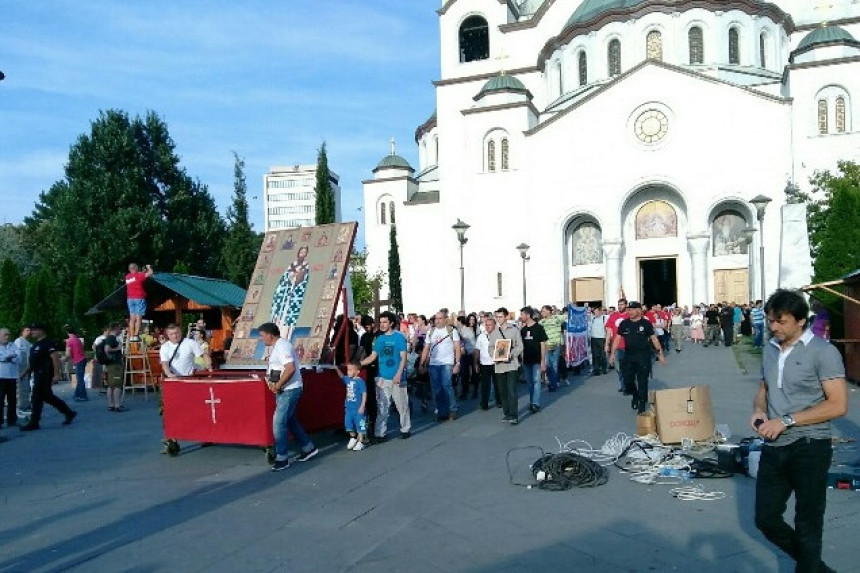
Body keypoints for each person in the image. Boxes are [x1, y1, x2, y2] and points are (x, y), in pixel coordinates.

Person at [751, 289, 847, 573]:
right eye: (770, 320)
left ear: (801, 320)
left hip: (810, 446)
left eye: (780, 321)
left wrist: (787, 420)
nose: (773, 327)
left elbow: (838, 405)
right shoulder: (770, 349)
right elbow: (764, 388)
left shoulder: (823, 352)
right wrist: (758, 410)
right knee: (766, 518)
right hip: (773, 447)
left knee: (808, 523)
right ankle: (818, 569)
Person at [258, 322, 318, 471]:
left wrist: (277, 385)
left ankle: (282, 458)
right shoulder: (278, 346)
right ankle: (308, 447)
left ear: (270, 335)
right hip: (285, 389)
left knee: (278, 422)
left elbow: (289, 368)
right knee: (290, 420)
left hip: (289, 390)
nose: (261, 339)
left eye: (262, 335)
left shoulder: (282, 346)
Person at [360, 311, 410, 440]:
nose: (382, 325)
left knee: (401, 405)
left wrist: (399, 374)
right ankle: (380, 433)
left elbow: (403, 358)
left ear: (391, 323)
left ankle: (405, 429)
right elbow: (373, 356)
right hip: (382, 377)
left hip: (397, 377)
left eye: (384, 322)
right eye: (380, 322)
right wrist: (359, 364)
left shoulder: (399, 337)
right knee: (382, 407)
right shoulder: (380, 339)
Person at [608, 302, 666, 413]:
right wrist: (612, 354)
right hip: (629, 356)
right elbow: (617, 339)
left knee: (642, 381)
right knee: (628, 381)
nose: (629, 312)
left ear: (639, 310)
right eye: (628, 309)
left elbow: (654, 339)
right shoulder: (624, 324)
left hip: (643, 357)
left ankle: (642, 405)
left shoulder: (646, 324)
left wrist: (661, 354)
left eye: (632, 309)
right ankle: (635, 394)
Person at [20, 323, 76, 431]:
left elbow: (55, 360)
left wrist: (57, 375)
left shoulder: (47, 343)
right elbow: (33, 362)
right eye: (32, 330)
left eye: (35, 330)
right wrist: (25, 372)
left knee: (37, 398)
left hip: (45, 374)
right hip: (37, 374)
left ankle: (34, 422)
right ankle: (68, 412)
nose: (32, 332)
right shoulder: (35, 344)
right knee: (47, 397)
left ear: (41, 331)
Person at [419, 311, 461, 422]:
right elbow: (426, 348)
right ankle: (441, 411)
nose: (437, 320)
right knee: (436, 388)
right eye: (436, 318)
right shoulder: (431, 332)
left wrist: (457, 363)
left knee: (447, 385)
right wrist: (421, 363)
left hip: (447, 362)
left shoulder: (452, 331)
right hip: (434, 363)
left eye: (440, 318)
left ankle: (452, 409)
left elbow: (457, 347)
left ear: (445, 319)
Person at [488, 308, 523, 424]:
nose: (499, 319)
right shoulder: (494, 333)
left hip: (511, 365)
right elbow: (491, 347)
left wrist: (511, 354)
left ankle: (514, 415)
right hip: (499, 366)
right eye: (497, 317)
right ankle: (506, 413)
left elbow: (520, 346)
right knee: (502, 391)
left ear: (506, 317)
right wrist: (495, 356)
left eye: (501, 317)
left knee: (512, 390)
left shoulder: (514, 330)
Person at [270, 246, 311, 330]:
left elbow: (303, 278)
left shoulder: (305, 265)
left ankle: (287, 329)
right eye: (301, 252)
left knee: (290, 313)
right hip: (285, 291)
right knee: (279, 309)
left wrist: (297, 278)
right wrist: (289, 278)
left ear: (306, 254)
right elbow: (285, 278)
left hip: (295, 293)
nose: (302, 254)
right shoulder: (292, 264)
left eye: (304, 252)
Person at [520, 306, 547, 413]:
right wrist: (522, 359)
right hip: (527, 360)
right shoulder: (523, 330)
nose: (521, 316)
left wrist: (543, 360)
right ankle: (532, 401)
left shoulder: (539, 328)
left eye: (522, 314)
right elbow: (521, 345)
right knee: (530, 382)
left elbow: (543, 344)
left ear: (528, 315)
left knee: (536, 381)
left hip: (537, 359)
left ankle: (536, 403)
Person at [334, 361, 367, 451]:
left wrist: (362, 406)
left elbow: (364, 393)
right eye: (348, 370)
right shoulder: (348, 379)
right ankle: (353, 437)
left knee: (361, 425)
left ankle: (361, 441)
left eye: (351, 370)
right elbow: (341, 376)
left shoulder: (360, 381)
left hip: (358, 408)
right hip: (349, 408)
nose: (348, 372)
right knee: (348, 425)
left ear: (357, 372)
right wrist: (337, 368)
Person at [97, 323, 127, 412]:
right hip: (115, 365)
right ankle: (117, 405)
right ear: (116, 328)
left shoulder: (108, 338)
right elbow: (107, 349)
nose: (121, 330)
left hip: (110, 364)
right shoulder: (111, 338)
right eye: (120, 328)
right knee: (117, 385)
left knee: (110, 385)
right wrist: (118, 348)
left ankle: (111, 404)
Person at [474, 315, 500, 410]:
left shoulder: (499, 335)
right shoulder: (481, 336)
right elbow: (477, 350)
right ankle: (484, 403)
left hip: (496, 363)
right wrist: (475, 363)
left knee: (498, 383)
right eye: (486, 325)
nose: (488, 326)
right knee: (485, 385)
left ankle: (499, 401)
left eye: (490, 325)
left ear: (494, 325)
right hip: (484, 364)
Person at [604, 298, 629, 392]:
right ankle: (623, 384)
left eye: (622, 304)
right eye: (619, 304)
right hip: (617, 346)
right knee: (618, 367)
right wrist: (606, 344)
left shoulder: (629, 315)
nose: (620, 306)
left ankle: (628, 385)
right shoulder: (613, 316)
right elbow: (609, 330)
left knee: (628, 367)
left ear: (626, 305)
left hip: (628, 345)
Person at [125, 263, 154, 340]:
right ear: (136, 268)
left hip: (130, 299)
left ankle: (131, 336)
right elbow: (150, 273)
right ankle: (136, 335)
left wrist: (143, 272)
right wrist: (149, 268)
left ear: (129, 269)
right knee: (139, 317)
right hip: (139, 298)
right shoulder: (138, 275)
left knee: (132, 318)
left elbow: (138, 277)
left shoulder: (127, 277)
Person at [539, 305, 565, 389]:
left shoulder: (556, 318)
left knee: (554, 364)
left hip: (556, 344)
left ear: (549, 311)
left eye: (543, 311)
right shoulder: (541, 322)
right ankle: (553, 381)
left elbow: (568, 316)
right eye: (541, 311)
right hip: (547, 345)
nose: (542, 313)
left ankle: (554, 383)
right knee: (548, 364)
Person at [0, 328, 19, 429]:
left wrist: (7, 357)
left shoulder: (13, 345)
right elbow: (2, 357)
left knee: (12, 399)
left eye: (8, 335)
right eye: (5, 335)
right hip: (1, 376)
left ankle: (12, 420)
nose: (7, 337)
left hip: (12, 376)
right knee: (0, 399)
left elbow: (18, 357)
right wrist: (8, 357)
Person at [65, 325, 88, 402]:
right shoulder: (77, 339)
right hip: (83, 359)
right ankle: (76, 394)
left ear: (67, 333)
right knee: (80, 378)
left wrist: (64, 359)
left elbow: (68, 354)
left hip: (78, 360)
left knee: (80, 379)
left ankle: (82, 396)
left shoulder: (70, 341)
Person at [14, 326, 32, 419]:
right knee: (21, 388)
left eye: (30, 330)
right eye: (27, 330)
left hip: (27, 368)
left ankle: (25, 404)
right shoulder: (19, 341)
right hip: (21, 367)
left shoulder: (28, 343)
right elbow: (18, 355)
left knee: (26, 387)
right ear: (22, 332)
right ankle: (22, 406)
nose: (29, 332)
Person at [588, 306, 608, 376]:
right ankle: (596, 370)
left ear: (600, 311)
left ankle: (604, 368)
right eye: (594, 312)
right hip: (594, 338)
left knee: (602, 355)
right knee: (595, 355)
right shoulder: (592, 318)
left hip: (602, 338)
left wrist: (608, 340)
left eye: (597, 311)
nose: (595, 313)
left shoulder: (604, 318)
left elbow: (608, 328)